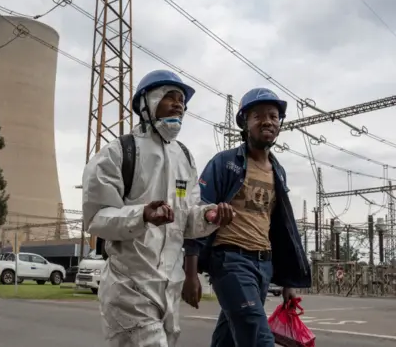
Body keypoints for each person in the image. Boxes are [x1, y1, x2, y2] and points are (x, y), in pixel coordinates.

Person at [82, 69, 235, 347]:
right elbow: (96, 218)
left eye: (182, 100)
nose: (179, 104)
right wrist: (142, 215)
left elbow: (187, 221)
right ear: (146, 104)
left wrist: (210, 217)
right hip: (129, 286)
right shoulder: (120, 152)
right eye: (170, 97)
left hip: (169, 289)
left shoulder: (184, 157)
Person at [182, 87, 311, 347]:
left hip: (264, 265)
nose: (267, 121)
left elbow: (281, 229)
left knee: (228, 338)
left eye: (273, 116)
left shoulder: (279, 172)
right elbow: (196, 214)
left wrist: (287, 281)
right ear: (244, 122)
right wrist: (190, 274)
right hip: (230, 261)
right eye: (258, 116)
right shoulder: (225, 163)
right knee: (257, 336)